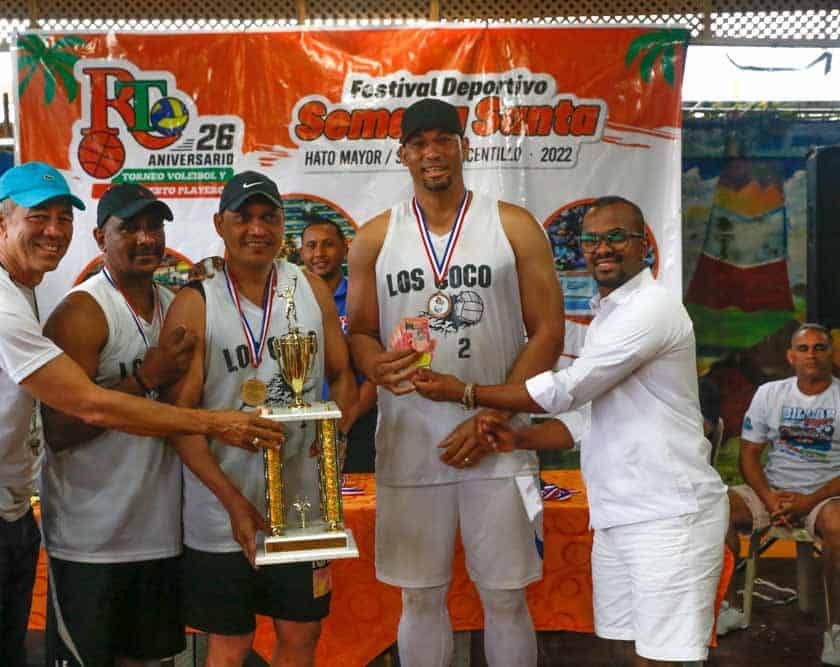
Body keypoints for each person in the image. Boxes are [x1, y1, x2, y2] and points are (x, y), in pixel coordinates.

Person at [0, 162, 284, 665]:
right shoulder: (5, 303)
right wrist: (211, 420)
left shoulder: (27, 287)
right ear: (0, 222)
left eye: (63, 217)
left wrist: (214, 278)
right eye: (39, 217)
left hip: (23, 510)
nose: (54, 230)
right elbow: (81, 409)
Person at [414, 196, 728, 666]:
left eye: (616, 237)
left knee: (663, 657)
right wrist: (522, 438)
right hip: (618, 512)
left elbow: (567, 391)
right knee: (626, 647)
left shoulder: (652, 307)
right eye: (592, 239)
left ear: (643, 245)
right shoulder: (610, 313)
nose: (603, 248)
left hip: (668, 514)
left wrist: (465, 392)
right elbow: (586, 417)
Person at [346, 98, 564, 667]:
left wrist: (492, 417)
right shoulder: (374, 238)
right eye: (419, 143)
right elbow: (360, 331)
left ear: (462, 147)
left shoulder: (512, 225)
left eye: (443, 139)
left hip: (498, 438)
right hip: (411, 440)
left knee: (506, 598)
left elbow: (548, 331)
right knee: (419, 596)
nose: (432, 152)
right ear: (403, 154)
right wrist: (373, 363)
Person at [166, 171, 358, 666]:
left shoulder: (309, 288)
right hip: (220, 508)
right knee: (230, 645)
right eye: (244, 217)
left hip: (301, 503)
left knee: (302, 632)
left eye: (268, 217)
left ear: (281, 226)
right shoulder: (196, 301)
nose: (257, 229)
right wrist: (233, 503)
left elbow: (342, 376)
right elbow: (180, 423)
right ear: (220, 225)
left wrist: (333, 441)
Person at [39, 182, 189, 665]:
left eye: (154, 227)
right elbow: (59, 430)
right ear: (101, 236)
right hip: (90, 539)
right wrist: (144, 378)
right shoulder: (82, 312)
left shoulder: (176, 306)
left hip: (162, 533)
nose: (146, 239)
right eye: (131, 228)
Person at [717, 323, 840, 665]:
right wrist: (770, 499)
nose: (811, 355)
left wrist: (807, 502)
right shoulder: (770, 394)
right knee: (715, 507)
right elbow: (749, 455)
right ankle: (729, 606)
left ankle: (836, 630)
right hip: (772, 490)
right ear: (790, 356)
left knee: (839, 524)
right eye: (803, 348)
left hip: (825, 496)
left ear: (831, 354)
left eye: (819, 347)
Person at [300, 214, 378, 472]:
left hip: (358, 423)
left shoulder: (362, 297)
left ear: (345, 249)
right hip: (303, 425)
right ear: (301, 253)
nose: (319, 253)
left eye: (328, 244)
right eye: (311, 246)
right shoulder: (290, 303)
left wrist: (345, 421)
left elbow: (375, 373)